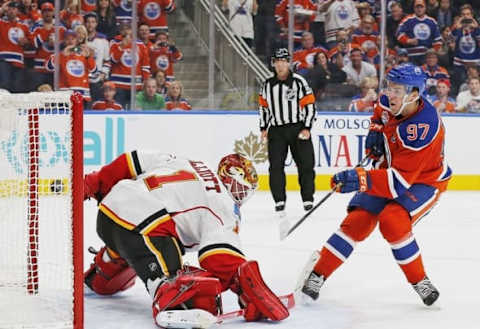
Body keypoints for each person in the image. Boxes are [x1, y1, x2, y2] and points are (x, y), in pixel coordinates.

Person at [298, 64, 452, 307]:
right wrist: (375, 130)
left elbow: (398, 184)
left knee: (393, 221)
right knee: (357, 221)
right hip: (391, 172)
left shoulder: (423, 127)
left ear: (414, 94)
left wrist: (359, 179)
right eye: (389, 86)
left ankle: (419, 280)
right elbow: (378, 115)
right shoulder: (390, 101)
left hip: (424, 180)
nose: (389, 93)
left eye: (397, 89)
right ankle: (318, 274)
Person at [83, 151, 289, 327]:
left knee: (144, 244)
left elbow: (133, 160)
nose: (241, 195)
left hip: (109, 214)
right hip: (144, 226)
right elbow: (219, 257)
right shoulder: (224, 205)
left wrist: (96, 182)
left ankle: (105, 270)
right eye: (242, 189)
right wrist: (243, 289)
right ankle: (166, 290)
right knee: (181, 287)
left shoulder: (190, 161)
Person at [258, 48, 316, 216]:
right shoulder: (267, 85)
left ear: (288, 63)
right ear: (273, 63)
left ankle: (307, 198)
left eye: (284, 61)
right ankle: (279, 200)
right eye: (278, 61)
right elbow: (264, 108)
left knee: (305, 163)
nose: (281, 64)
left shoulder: (299, 82)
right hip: (276, 130)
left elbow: (310, 105)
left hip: (297, 127)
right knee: (275, 166)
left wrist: (306, 127)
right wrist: (263, 127)